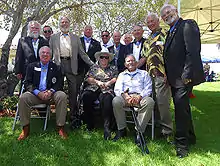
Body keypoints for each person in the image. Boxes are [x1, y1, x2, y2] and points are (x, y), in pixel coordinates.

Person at [161, 4, 205, 158]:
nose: (166, 16)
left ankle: (181, 147)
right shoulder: (170, 32)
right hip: (174, 79)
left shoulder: (187, 25)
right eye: (164, 15)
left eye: (168, 12)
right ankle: (191, 137)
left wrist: (186, 76)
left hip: (183, 78)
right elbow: (169, 58)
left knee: (179, 112)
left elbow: (192, 52)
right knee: (184, 108)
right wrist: (167, 75)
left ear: (176, 11)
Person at [49, 16, 94, 127]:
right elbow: (49, 54)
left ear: (69, 24)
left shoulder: (75, 38)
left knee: (73, 92)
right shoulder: (53, 37)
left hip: (71, 66)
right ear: (59, 24)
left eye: (66, 22)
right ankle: (59, 117)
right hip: (57, 66)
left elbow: (82, 53)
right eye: (62, 22)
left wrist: (93, 65)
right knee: (57, 91)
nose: (64, 24)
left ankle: (73, 116)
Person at [17, 46, 68, 141]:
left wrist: (50, 91)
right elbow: (27, 83)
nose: (45, 54)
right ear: (39, 55)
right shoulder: (31, 66)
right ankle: (25, 129)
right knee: (23, 98)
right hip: (36, 94)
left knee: (62, 96)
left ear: (50, 55)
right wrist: (38, 92)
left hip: (51, 94)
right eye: (43, 53)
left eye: (47, 53)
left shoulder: (56, 67)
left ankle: (60, 128)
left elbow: (59, 83)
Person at [141, 13, 173, 140]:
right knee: (154, 102)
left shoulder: (166, 33)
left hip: (162, 74)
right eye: (148, 22)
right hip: (150, 75)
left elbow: (171, 54)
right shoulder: (148, 38)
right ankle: (158, 127)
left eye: (152, 21)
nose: (150, 24)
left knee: (163, 102)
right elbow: (144, 57)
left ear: (158, 20)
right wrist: (133, 66)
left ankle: (168, 131)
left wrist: (169, 73)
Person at [112, 55, 155, 144]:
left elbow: (148, 88)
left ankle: (139, 132)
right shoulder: (122, 75)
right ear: (125, 64)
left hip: (140, 97)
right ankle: (122, 130)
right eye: (128, 61)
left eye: (132, 60)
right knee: (116, 101)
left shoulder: (144, 73)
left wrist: (139, 96)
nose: (131, 62)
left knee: (150, 102)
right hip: (126, 97)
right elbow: (117, 89)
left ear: (136, 62)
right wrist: (125, 96)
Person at [82, 47, 118, 140]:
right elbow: (88, 79)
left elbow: (116, 78)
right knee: (86, 96)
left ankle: (107, 127)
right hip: (94, 88)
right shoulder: (94, 67)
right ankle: (89, 124)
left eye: (106, 57)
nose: (104, 59)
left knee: (106, 99)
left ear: (109, 59)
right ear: (99, 58)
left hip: (107, 89)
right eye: (102, 57)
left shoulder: (113, 68)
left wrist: (108, 83)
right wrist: (98, 82)